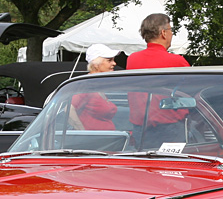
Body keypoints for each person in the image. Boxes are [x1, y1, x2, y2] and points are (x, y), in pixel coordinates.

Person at [125, 14, 189, 146]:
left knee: (144, 163)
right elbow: (190, 91)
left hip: (140, 125)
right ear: (163, 33)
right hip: (170, 125)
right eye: (171, 30)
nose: (172, 34)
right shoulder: (177, 61)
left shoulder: (132, 59)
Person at [69, 44, 120, 130]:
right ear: (96, 64)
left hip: (104, 139)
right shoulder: (87, 85)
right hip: (94, 141)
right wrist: (82, 132)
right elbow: (69, 110)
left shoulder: (96, 85)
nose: (114, 63)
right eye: (109, 60)